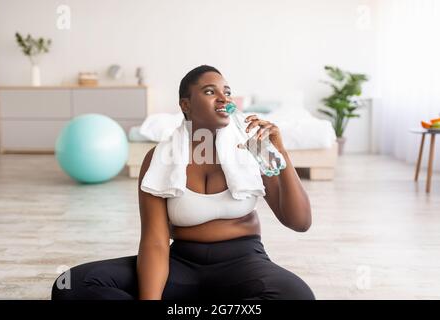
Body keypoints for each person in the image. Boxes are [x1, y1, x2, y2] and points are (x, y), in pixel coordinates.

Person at [51, 65, 315, 300]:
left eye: (227, 92)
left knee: (297, 296)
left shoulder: (253, 149)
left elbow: (299, 222)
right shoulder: (159, 159)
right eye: (210, 92)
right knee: (71, 286)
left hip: (243, 263)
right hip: (181, 266)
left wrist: (282, 154)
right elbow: (154, 242)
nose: (223, 98)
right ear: (186, 105)